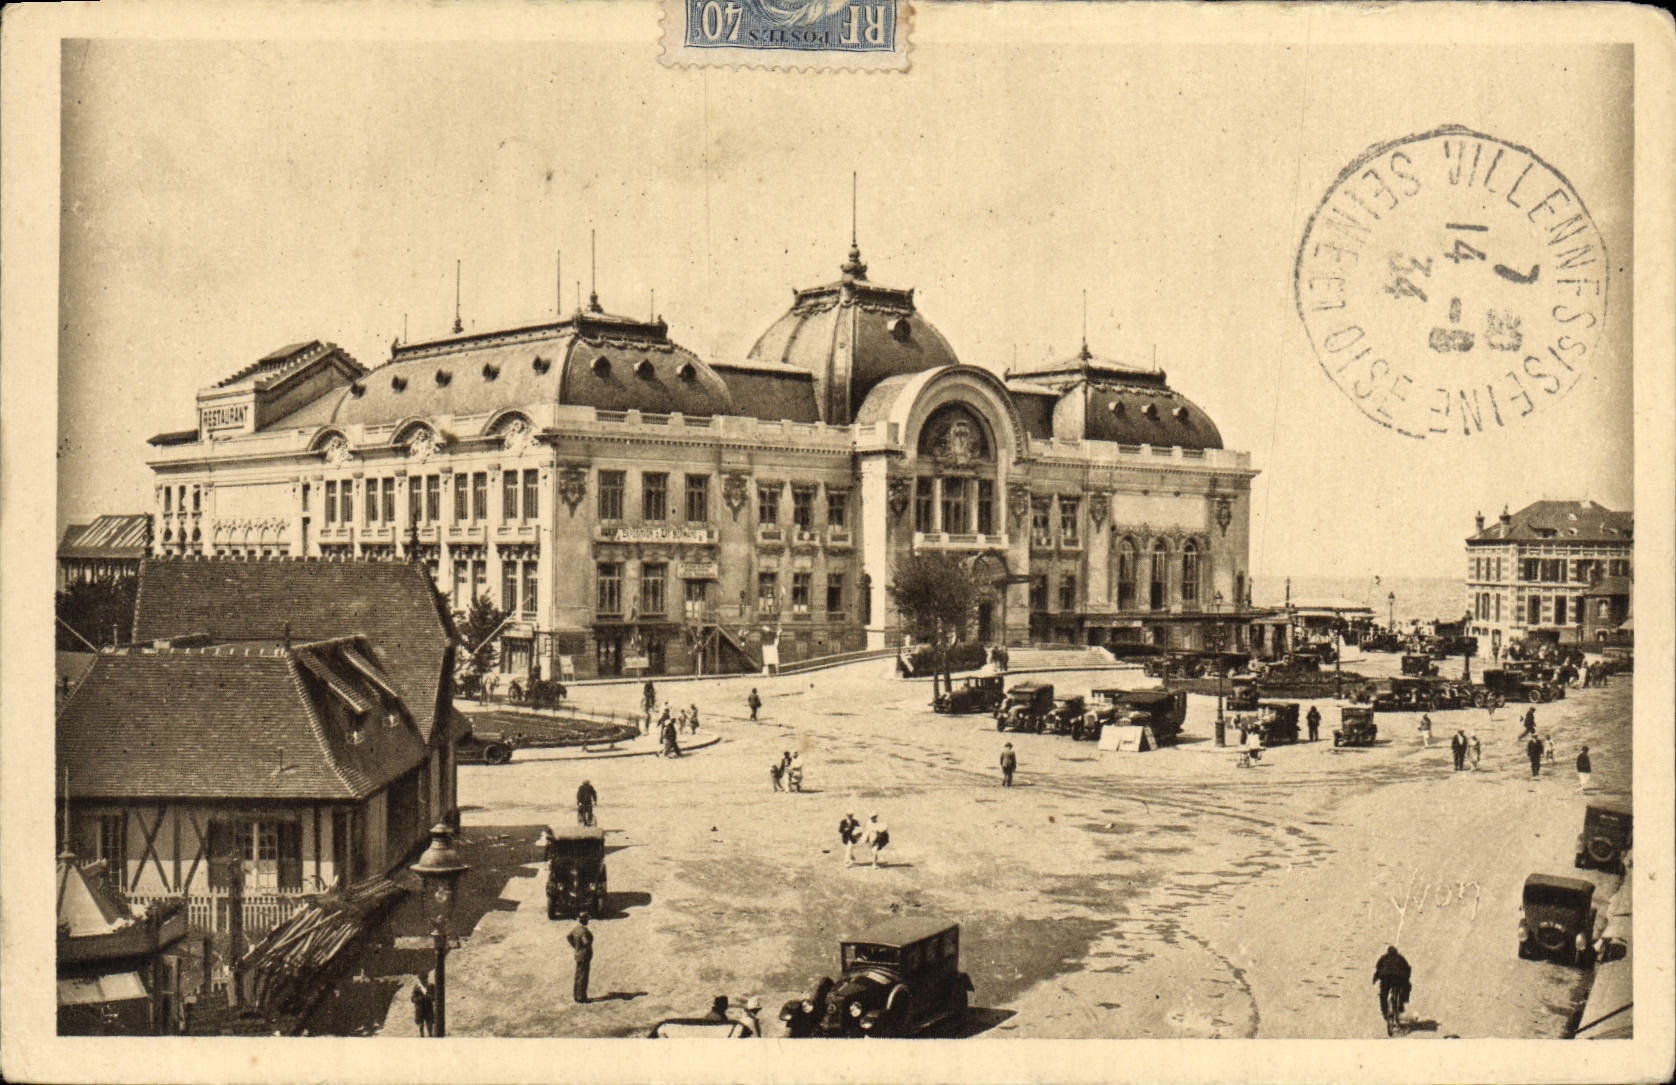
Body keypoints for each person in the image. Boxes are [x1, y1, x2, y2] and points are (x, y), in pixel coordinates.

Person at [1372, 945, 1412, 1027]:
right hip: (1397, 978)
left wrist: (1375, 978)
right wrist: (1406, 978)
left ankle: (1385, 1012)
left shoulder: (1384, 958)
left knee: (1383, 995)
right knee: (1406, 987)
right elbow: (1407, 968)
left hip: (1385, 979)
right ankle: (1400, 1005)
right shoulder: (1400, 958)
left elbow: (1378, 968)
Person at [567, 913, 594, 1003]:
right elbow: (586, 942)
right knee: (583, 976)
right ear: (585, 921)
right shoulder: (584, 931)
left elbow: (569, 937)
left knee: (578, 976)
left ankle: (576, 995)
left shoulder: (576, 929)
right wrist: (587, 948)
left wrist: (575, 946)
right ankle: (582, 997)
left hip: (578, 954)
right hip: (584, 955)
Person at [411, 972, 435, 1037]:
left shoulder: (431, 986)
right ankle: (422, 1036)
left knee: (429, 1025)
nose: (423, 980)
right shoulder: (417, 987)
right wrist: (420, 998)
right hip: (420, 1009)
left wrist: (429, 997)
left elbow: (435, 997)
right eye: (421, 979)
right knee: (421, 1026)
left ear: (427, 978)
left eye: (424, 979)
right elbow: (413, 999)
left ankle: (430, 1035)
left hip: (428, 1008)